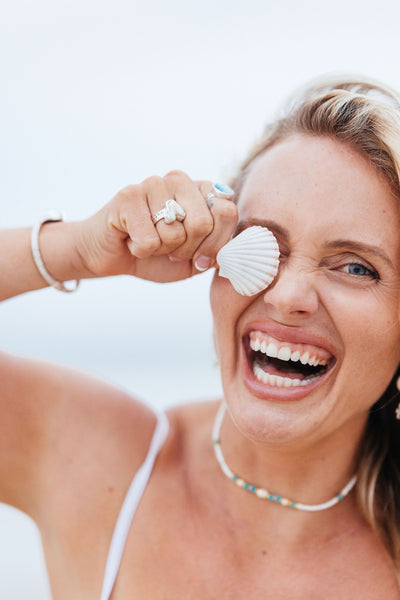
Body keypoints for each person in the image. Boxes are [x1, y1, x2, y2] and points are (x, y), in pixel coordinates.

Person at [1, 74, 400, 599]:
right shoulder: (104, 463)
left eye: (354, 267)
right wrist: (77, 250)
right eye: (263, 244)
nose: (286, 296)